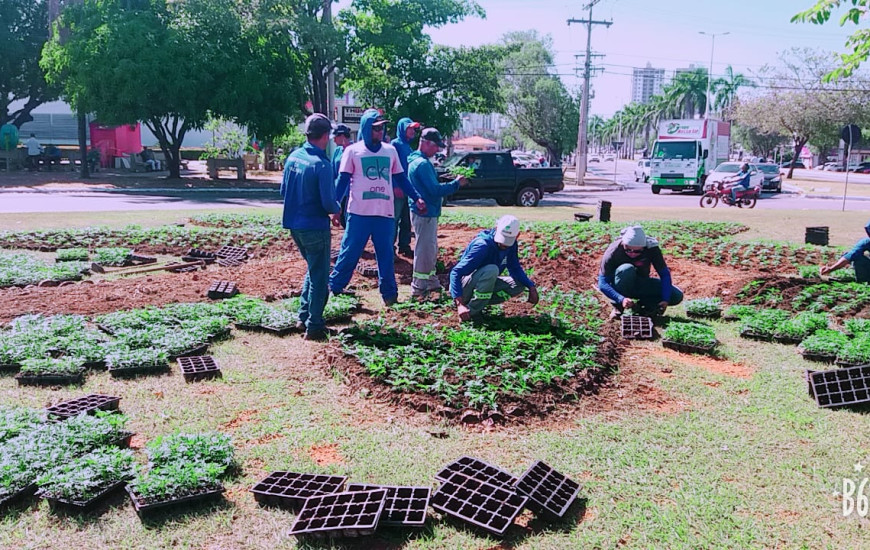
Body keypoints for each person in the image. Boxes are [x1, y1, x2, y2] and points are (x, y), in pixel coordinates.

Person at [330, 109, 427, 306]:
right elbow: (342, 182)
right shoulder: (352, 151)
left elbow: (401, 178)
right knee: (349, 253)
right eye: (375, 128)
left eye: (382, 128)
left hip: (384, 215)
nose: (379, 132)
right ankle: (335, 290)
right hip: (359, 214)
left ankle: (390, 296)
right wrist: (334, 208)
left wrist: (416, 197)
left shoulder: (390, 151)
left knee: (386, 257)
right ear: (366, 129)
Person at [280, 113, 341, 341]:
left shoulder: (294, 157)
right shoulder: (322, 165)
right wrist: (337, 208)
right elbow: (328, 203)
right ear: (326, 136)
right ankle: (314, 326)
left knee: (313, 268)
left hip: (295, 226)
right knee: (319, 276)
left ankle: (303, 315)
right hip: (315, 226)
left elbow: (283, 192)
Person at [407, 128, 470, 299]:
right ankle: (419, 288)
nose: (438, 150)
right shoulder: (422, 164)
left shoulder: (416, 160)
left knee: (429, 249)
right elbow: (434, 191)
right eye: (436, 146)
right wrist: (456, 183)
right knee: (424, 250)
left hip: (424, 212)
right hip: (425, 213)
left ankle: (432, 283)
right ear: (425, 143)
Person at [449, 215, 538, 321]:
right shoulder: (482, 246)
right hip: (464, 287)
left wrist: (531, 287)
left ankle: (478, 305)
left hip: (481, 283)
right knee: (492, 270)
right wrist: (459, 304)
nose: (504, 244)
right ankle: (470, 312)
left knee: (518, 285)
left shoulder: (512, 245)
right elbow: (456, 272)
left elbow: (514, 268)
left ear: (517, 235)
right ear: (496, 229)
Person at [597, 225, 684, 318]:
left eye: (637, 251)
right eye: (628, 250)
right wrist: (620, 299)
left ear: (644, 247)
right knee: (626, 269)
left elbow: (665, 275)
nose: (632, 253)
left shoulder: (652, 249)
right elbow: (602, 283)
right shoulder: (613, 251)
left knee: (676, 295)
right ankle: (618, 308)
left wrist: (665, 298)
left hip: (641, 283)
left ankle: (645, 306)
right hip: (620, 285)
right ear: (623, 244)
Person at [391, 117, 421, 258]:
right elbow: (391, 167)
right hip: (397, 188)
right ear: (402, 129)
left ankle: (404, 245)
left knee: (406, 219)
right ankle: (390, 248)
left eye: (413, 129)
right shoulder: (395, 144)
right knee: (394, 219)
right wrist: (396, 185)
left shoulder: (408, 147)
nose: (413, 131)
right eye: (410, 128)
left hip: (407, 188)